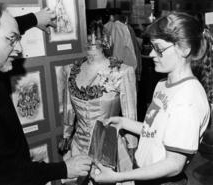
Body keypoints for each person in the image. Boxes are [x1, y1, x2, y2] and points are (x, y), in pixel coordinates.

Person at [0, 2, 92, 185]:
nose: (20, 48)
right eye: (12, 40)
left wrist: (34, 19)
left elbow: (4, 28)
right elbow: (7, 174)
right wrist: (64, 169)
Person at [91, 12, 213, 185]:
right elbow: (156, 131)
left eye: (160, 49)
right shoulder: (162, 84)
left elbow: (174, 165)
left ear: (184, 49)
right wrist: (124, 123)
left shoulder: (189, 98)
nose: (152, 55)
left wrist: (120, 176)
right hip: (145, 172)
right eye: (152, 47)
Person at [58, 21, 137, 185]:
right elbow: (68, 108)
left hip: (109, 147)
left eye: (97, 38)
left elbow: (130, 115)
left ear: (105, 41)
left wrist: (132, 146)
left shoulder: (122, 72)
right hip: (78, 146)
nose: (92, 42)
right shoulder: (70, 70)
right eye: (89, 38)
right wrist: (66, 134)